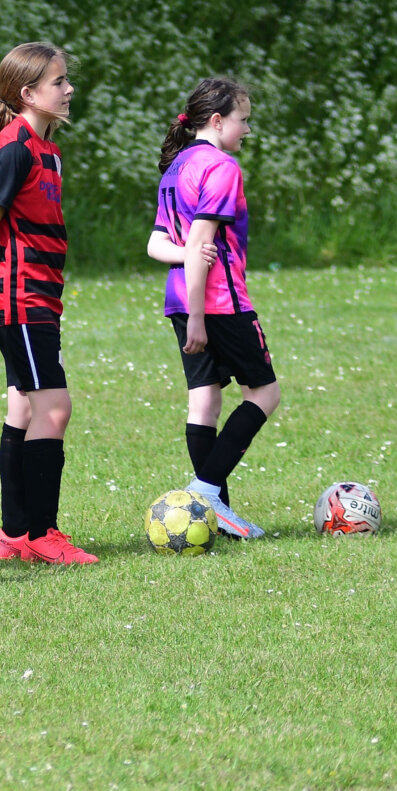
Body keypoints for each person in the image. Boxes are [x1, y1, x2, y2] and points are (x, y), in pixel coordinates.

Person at [0, 42, 97, 565]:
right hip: (19, 300)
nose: (68, 90)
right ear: (28, 93)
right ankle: (42, 534)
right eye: (59, 82)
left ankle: (15, 536)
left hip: (37, 298)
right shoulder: (14, 147)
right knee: (53, 409)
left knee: (23, 404)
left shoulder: (47, 150)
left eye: (66, 80)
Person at [147, 77, 276, 538]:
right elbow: (201, 241)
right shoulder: (221, 167)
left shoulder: (176, 166)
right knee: (264, 393)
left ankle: (210, 514)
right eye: (243, 120)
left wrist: (190, 299)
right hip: (218, 302)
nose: (246, 129)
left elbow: (157, 244)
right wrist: (200, 316)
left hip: (181, 299)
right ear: (217, 121)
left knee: (204, 399)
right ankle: (203, 492)